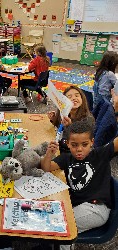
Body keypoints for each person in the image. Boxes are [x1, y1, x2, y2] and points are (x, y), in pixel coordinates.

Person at [41, 118, 117, 250]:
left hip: (96, 208)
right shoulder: (66, 158)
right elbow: (46, 168)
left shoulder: (100, 154)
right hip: (78, 206)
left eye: (84, 144)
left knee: (61, 226)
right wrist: (48, 154)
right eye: (74, 145)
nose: (79, 149)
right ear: (68, 143)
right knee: (51, 217)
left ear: (92, 143)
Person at [48, 85, 94, 153]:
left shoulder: (88, 119)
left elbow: (79, 141)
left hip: (74, 153)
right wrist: (54, 119)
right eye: (69, 97)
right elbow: (60, 128)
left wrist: (69, 126)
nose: (74, 98)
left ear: (82, 99)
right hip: (60, 146)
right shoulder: (65, 113)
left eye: (77, 96)